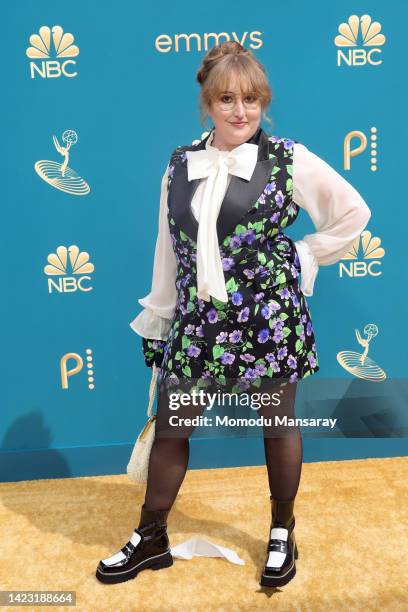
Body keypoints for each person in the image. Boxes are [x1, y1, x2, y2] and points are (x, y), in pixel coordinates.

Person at [96, 41, 371, 587]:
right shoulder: (179, 163)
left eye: (251, 99)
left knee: (277, 425)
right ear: (207, 102)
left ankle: (281, 533)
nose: (240, 111)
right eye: (227, 99)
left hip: (268, 319)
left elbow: (353, 213)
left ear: (263, 102)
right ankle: (151, 536)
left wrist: (302, 254)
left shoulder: (289, 158)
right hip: (199, 320)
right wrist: (160, 316)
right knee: (174, 427)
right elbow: (167, 247)